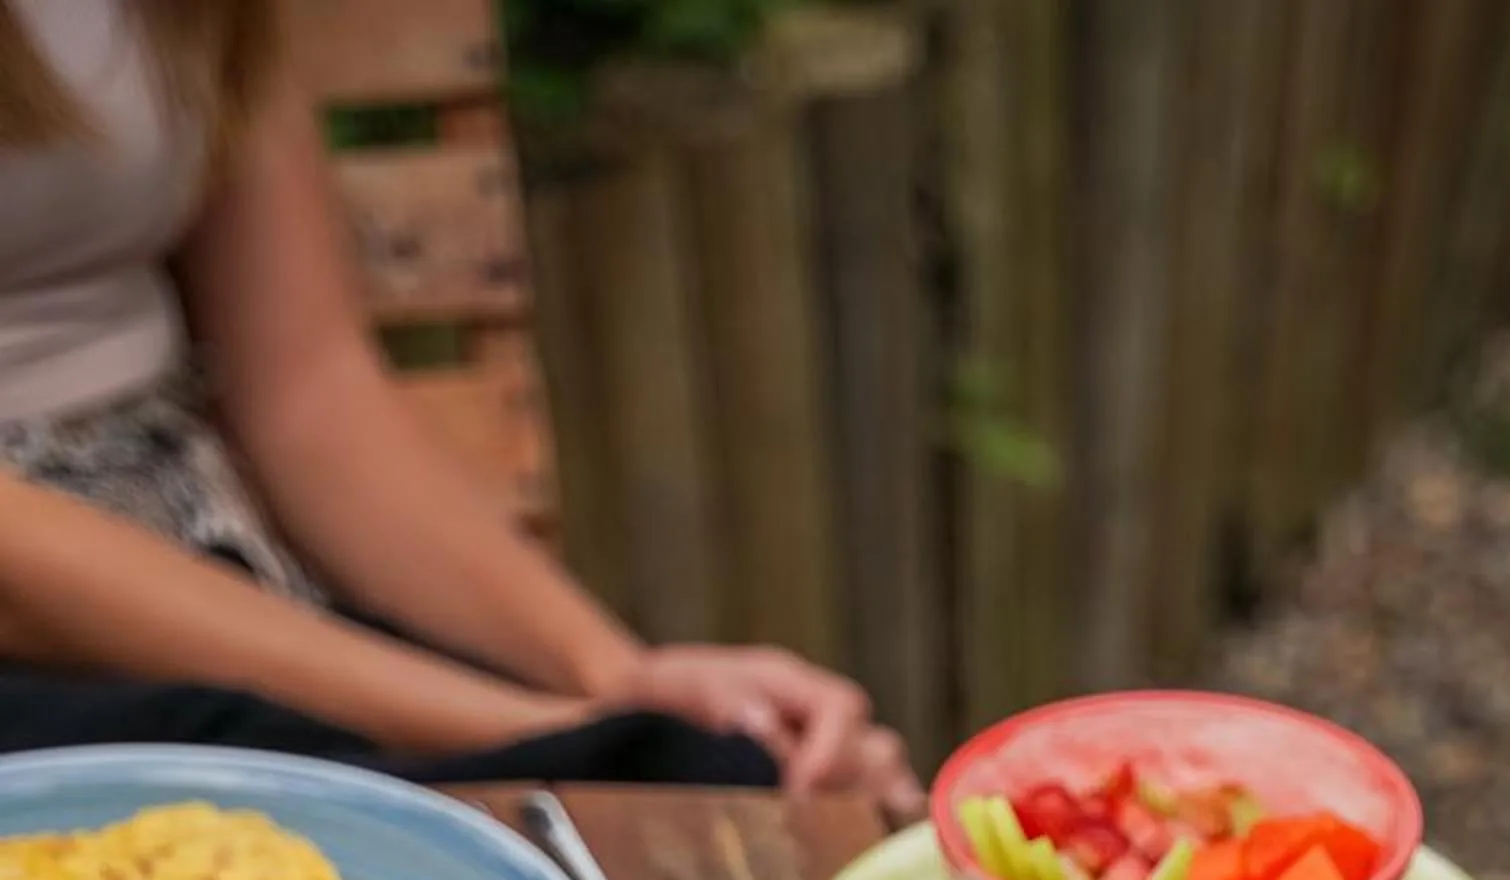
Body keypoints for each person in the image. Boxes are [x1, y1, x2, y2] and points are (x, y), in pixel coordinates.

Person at [0, 0, 922, 808]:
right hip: (57, 658)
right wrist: (558, 735)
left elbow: (310, 388)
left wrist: (618, 678)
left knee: (749, 778)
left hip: (205, 573)